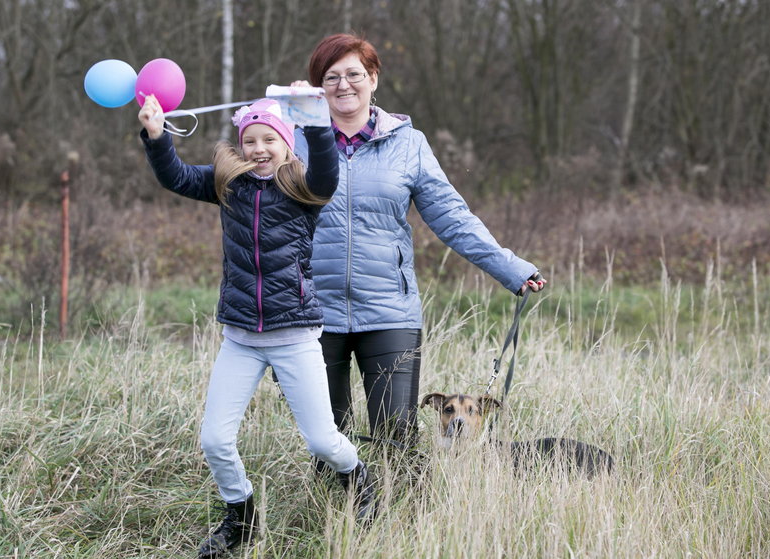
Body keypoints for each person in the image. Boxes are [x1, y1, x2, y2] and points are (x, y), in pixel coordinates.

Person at [138, 93, 376, 558]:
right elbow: (176, 176)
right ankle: (241, 517)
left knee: (323, 441)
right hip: (241, 339)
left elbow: (328, 172)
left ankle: (359, 476)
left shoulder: (305, 189)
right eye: (251, 140)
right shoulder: (229, 184)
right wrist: (156, 135)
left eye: (270, 139)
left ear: (287, 145)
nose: (259, 148)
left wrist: (312, 120)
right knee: (214, 440)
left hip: (295, 336)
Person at [291, 33, 547, 449]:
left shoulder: (409, 144)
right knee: (326, 439)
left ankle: (402, 513)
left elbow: (453, 217)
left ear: (373, 78)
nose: (343, 85)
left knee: (397, 438)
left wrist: (511, 268)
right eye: (330, 77)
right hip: (312, 310)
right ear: (318, 87)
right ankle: (334, 515)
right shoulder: (293, 139)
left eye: (354, 74)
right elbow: (249, 197)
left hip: (390, 312)